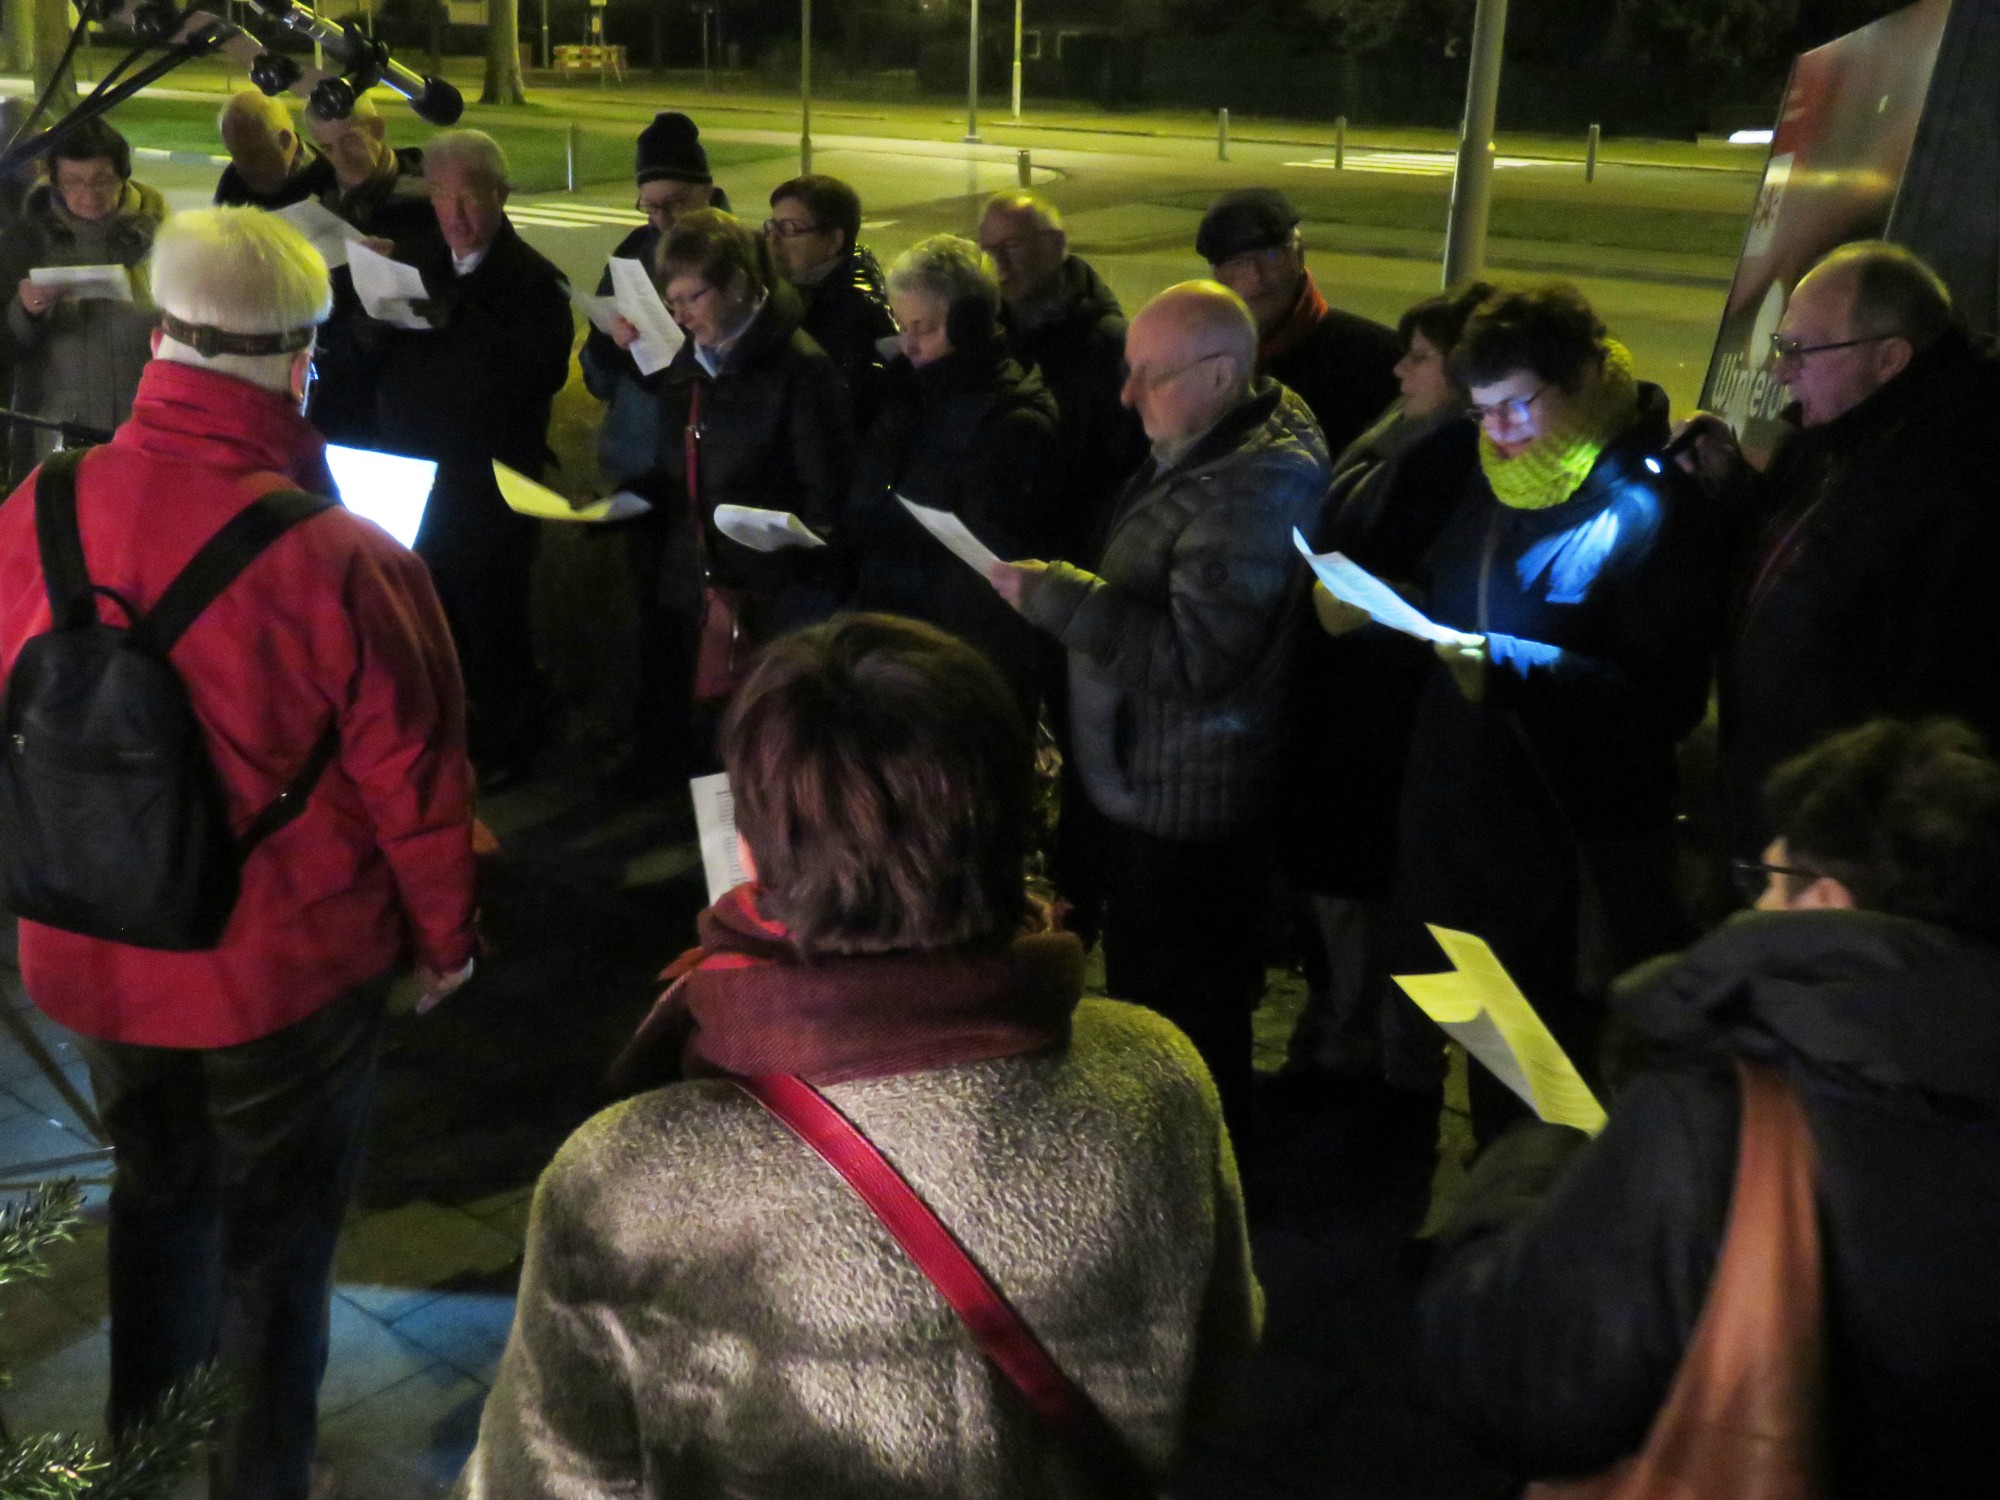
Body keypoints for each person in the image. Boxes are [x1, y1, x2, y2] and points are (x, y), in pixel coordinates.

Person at [460, 613, 1259, 1497]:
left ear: (755, 848)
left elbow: (543, 1478)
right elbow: (1217, 1360)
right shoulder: (1155, 1073)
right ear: (1011, 826)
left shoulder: (623, 1177)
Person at [0, 206, 476, 1500]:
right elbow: (416, 789)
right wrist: (446, 941)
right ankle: (256, 1478)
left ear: (161, 338)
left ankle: (144, 1455)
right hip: (279, 973)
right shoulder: (348, 558)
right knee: (275, 1249)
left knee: (156, 1199)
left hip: (89, 951)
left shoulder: (35, 505)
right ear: (300, 360)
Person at [1420, 716, 2000, 1498]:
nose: (1754, 900)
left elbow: (1514, 1383)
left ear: (1824, 901)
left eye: (1765, 876)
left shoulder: (1718, 1119)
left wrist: (1526, 1164)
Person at [1319, 283, 1725, 1142]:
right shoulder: (1489, 473)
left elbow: (1665, 698)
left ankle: (1538, 1237)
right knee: (1481, 1051)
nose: (1497, 434)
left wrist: (1512, 667)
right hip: (1454, 832)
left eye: (1515, 408)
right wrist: (1391, 605)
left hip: (1559, 862)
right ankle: (1482, 1211)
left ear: (1581, 379)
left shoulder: (1652, 505)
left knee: (1550, 1096)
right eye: (1479, 414)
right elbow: (1462, 595)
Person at [991, 281, 1332, 1132]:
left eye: (1151, 375)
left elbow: (1196, 658)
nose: (1125, 395)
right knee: (1168, 999)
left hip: (1185, 801)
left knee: (1184, 1011)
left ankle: (1193, 1169)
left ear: (1221, 374)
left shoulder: (1251, 490)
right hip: (1158, 777)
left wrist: (1057, 599)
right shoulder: (1219, 436)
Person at [1677, 240, 2000, 860]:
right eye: (1780, 347)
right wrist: (1732, 486)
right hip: (1781, 805)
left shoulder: (1954, 487)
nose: (1778, 372)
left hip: (1849, 839)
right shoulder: (1836, 435)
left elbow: (1938, 696)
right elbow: (1797, 556)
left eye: (1799, 351)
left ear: (1890, 359)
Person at [1281, 283, 1487, 1092]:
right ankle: (1343, 1039)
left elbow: (1444, 594)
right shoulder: (1402, 436)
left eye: (1422, 356)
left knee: (1381, 908)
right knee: (1341, 898)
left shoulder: (1457, 461)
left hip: (1387, 722)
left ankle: (1376, 1071)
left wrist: (1364, 603)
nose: (1400, 367)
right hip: (1348, 711)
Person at [357, 130, 573, 790]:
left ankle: (508, 741)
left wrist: (458, 322)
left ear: (501, 196)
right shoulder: (414, 261)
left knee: (492, 622)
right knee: (422, 619)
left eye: (471, 196)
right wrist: (372, 312)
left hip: (486, 487)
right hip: (408, 476)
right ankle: (438, 739)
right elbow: (364, 354)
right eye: (443, 195)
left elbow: (535, 378)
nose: (455, 212)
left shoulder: (534, 281)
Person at [623, 208, 852, 786]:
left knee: (763, 756)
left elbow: (827, 500)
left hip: (768, 606)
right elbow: (678, 469)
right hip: (698, 595)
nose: (679, 316)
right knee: (709, 755)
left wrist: (782, 545)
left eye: (691, 298)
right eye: (670, 302)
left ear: (742, 284)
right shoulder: (690, 365)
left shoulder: (800, 370)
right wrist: (622, 503)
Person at [848, 235, 1061, 715]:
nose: (909, 343)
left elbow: (992, 569)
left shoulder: (1013, 421)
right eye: (902, 326)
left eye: (922, 327)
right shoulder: (909, 392)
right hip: (899, 636)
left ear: (969, 324)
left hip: (959, 662)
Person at [978, 190, 1145, 564]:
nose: (999, 266)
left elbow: (1117, 469)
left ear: (1056, 243)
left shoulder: (1107, 344)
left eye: (1013, 245)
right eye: (988, 251)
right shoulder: (992, 328)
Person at [0, 117, 162, 481]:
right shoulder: (23, 244)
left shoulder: (167, 238)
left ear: (124, 175)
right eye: (74, 182)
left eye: (101, 180)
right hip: (54, 440)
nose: (89, 196)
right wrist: (24, 312)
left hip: (143, 435)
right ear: (53, 181)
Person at [579, 111, 727, 484]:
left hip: (711, 462)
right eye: (650, 206)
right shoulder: (632, 253)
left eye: (674, 203)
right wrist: (610, 343)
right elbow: (598, 380)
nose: (661, 220)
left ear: (707, 192)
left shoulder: (741, 256)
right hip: (636, 456)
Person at [1198, 187, 1399, 460]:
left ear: (1299, 256)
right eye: (1238, 263)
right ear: (1216, 276)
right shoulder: (1195, 359)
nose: (1257, 278)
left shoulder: (1383, 361)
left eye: (1270, 257)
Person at [301, 93, 437, 446]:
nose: (340, 158)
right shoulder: (320, 200)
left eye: (349, 141)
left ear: (376, 128)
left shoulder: (429, 196)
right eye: (327, 148)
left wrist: (406, 257)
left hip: (412, 399)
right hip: (342, 396)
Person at [766, 173, 897, 432]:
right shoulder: (799, 292)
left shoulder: (854, 314)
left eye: (790, 228)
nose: (773, 239)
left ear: (834, 241)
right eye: (772, 226)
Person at [213, 89, 334, 211]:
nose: (240, 167)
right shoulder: (232, 183)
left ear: (285, 140)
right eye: (234, 154)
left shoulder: (329, 181)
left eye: (253, 156)